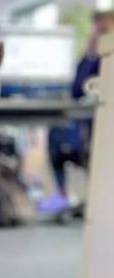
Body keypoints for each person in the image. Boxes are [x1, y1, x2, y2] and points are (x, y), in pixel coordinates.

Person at [40, 10, 114, 214]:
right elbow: (77, 89)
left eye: (104, 29)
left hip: (101, 127)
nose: (98, 33)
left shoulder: (109, 59)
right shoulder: (94, 57)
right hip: (88, 124)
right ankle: (63, 194)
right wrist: (90, 53)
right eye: (97, 29)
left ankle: (95, 199)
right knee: (55, 134)